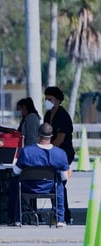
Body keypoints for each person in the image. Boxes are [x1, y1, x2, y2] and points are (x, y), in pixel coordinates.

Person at [7, 123, 71, 228]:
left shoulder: (26, 151)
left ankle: (16, 218)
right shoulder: (60, 153)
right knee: (59, 184)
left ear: (38, 135)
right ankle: (60, 219)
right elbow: (65, 176)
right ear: (51, 136)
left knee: (14, 183)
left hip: (27, 186)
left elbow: (16, 171)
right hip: (50, 187)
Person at [44, 86, 75, 224]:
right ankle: (57, 214)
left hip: (63, 153)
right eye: (46, 99)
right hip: (51, 152)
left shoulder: (63, 116)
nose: (47, 101)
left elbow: (60, 138)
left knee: (60, 184)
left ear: (57, 100)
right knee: (53, 184)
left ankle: (64, 215)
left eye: (49, 99)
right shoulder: (47, 114)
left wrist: (47, 151)